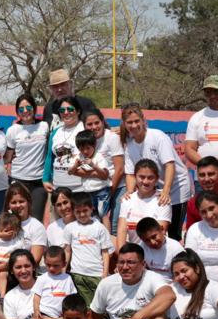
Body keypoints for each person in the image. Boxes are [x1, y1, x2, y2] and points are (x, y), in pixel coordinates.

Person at [120, 103, 194, 240]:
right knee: (154, 231)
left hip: (177, 188)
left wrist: (166, 192)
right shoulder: (129, 146)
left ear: (143, 120)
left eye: (137, 121)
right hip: (155, 191)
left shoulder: (157, 137)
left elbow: (170, 165)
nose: (134, 125)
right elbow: (130, 174)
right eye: (129, 122)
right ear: (124, 124)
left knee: (173, 233)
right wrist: (130, 193)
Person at [4, 93, 50, 221]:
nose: (25, 111)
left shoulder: (44, 126)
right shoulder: (13, 130)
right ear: (17, 112)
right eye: (21, 109)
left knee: (36, 218)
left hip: (39, 181)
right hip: (18, 179)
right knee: (17, 218)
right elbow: (8, 156)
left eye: (28, 108)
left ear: (34, 109)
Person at [63, 192, 114, 304]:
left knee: (100, 306)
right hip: (77, 274)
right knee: (84, 306)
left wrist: (104, 275)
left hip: (96, 274)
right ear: (73, 211)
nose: (82, 214)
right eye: (78, 212)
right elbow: (67, 251)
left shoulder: (100, 228)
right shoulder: (70, 228)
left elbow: (105, 253)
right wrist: (63, 271)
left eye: (85, 211)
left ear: (92, 208)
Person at [0, 183, 48, 265]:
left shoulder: (37, 226)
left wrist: (7, 267)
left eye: (21, 201)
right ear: (8, 205)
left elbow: (35, 259)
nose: (18, 205)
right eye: (13, 202)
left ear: (28, 202)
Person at [83, 110, 125, 232]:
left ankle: (114, 251)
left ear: (103, 122)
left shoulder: (112, 137)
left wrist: (110, 192)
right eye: (89, 124)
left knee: (114, 225)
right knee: (97, 225)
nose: (94, 127)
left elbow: (120, 168)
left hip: (117, 187)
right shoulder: (85, 140)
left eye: (97, 123)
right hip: (98, 189)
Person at [116, 159, 170, 250]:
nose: (145, 182)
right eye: (142, 177)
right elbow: (122, 231)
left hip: (153, 248)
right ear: (135, 177)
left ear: (156, 179)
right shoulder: (127, 199)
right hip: (133, 251)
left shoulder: (163, 200)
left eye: (150, 177)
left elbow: (159, 234)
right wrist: (123, 254)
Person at [31, 246, 78, 319]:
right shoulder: (42, 278)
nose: (51, 268)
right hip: (43, 313)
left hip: (60, 317)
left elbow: (72, 298)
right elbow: (36, 297)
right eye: (48, 265)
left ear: (64, 264)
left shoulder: (68, 278)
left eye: (56, 265)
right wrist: (36, 311)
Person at [42, 96, 85, 196]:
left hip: (80, 188)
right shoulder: (56, 132)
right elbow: (49, 157)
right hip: (58, 187)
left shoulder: (84, 128)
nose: (66, 112)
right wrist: (45, 179)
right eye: (62, 110)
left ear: (78, 111)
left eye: (70, 109)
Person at [68, 130, 112, 225]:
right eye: (82, 149)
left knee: (102, 214)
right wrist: (75, 165)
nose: (85, 151)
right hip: (88, 192)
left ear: (94, 145)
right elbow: (70, 172)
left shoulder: (99, 156)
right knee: (91, 215)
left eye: (88, 148)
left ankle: (107, 236)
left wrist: (93, 165)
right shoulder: (79, 157)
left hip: (101, 191)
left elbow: (104, 175)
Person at [184, 156, 218, 228]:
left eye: (211, 174)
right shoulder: (192, 203)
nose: (206, 179)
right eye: (202, 175)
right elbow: (192, 231)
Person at [137, 217, 185, 281]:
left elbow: (182, 273)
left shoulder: (176, 248)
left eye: (154, 237)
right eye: (147, 240)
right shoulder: (141, 248)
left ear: (162, 229)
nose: (152, 242)